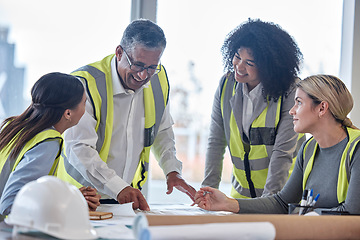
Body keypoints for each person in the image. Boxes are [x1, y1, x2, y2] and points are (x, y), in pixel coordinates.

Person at [56, 19, 196, 210]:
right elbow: (79, 148)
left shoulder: (158, 80)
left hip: (126, 200)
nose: (143, 76)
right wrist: (118, 187)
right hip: (80, 199)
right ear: (119, 52)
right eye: (138, 65)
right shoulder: (85, 84)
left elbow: (162, 132)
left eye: (151, 67)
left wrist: (172, 170)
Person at [195, 74, 360, 215]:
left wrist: (311, 217)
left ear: (322, 108)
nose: (291, 111)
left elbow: (353, 212)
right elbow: (282, 203)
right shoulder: (309, 149)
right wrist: (227, 203)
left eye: (299, 103)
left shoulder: (357, 149)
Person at [202, 18, 306, 199]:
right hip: (240, 196)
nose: (239, 66)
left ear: (269, 66)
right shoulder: (226, 85)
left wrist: (270, 202)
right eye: (237, 56)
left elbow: (283, 153)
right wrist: (207, 192)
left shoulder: (291, 91)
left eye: (250, 63)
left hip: (282, 196)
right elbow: (216, 142)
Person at [0, 72, 101, 216]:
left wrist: (71, 196)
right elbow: (12, 203)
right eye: (84, 103)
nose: (85, 110)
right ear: (68, 113)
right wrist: (71, 203)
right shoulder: (47, 142)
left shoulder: (15, 127)